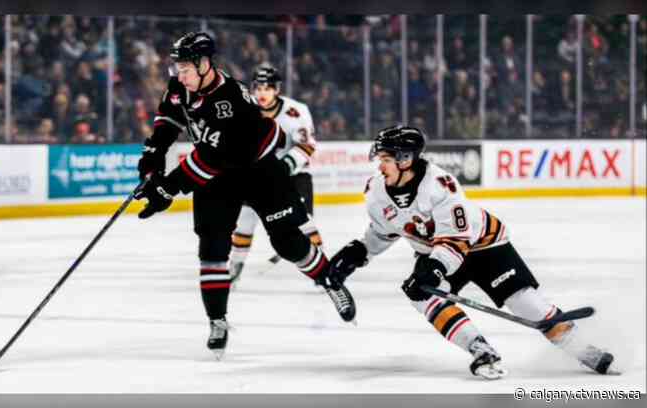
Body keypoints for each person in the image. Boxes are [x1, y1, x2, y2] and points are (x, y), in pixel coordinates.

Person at [327, 124, 617, 379]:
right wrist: (358, 253)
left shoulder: (441, 187)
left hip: (484, 246)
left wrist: (433, 267)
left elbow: (456, 242)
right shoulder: (376, 189)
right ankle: (480, 349)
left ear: (406, 160)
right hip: (438, 251)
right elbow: (386, 229)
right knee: (421, 293)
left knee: (526, 305)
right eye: (380, 159)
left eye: (386, 159)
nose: (380, 166)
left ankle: (585, 351)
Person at [134, 32, 355, 359]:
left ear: (204, 64)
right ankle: (217, 321)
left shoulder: (229, 99)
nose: (178, 76)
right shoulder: (181, 87)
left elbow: (214, 157)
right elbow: (167, 123)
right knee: (211, 248)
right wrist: (151, 164)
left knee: (287, 242)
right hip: (218, 174)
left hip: (258, 169)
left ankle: (330, 280)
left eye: (184, 69)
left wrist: (168, 186)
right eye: (176, 69)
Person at [229, 64, 322, 283]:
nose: (262, 93)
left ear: (276, 90)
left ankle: (322, 269)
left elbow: (307, 146)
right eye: (258, 88)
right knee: (244, 221)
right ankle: (235, 266)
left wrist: (284, 168)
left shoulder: (295, 111)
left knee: (304, 223)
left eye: (267, 88)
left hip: (293, 175)